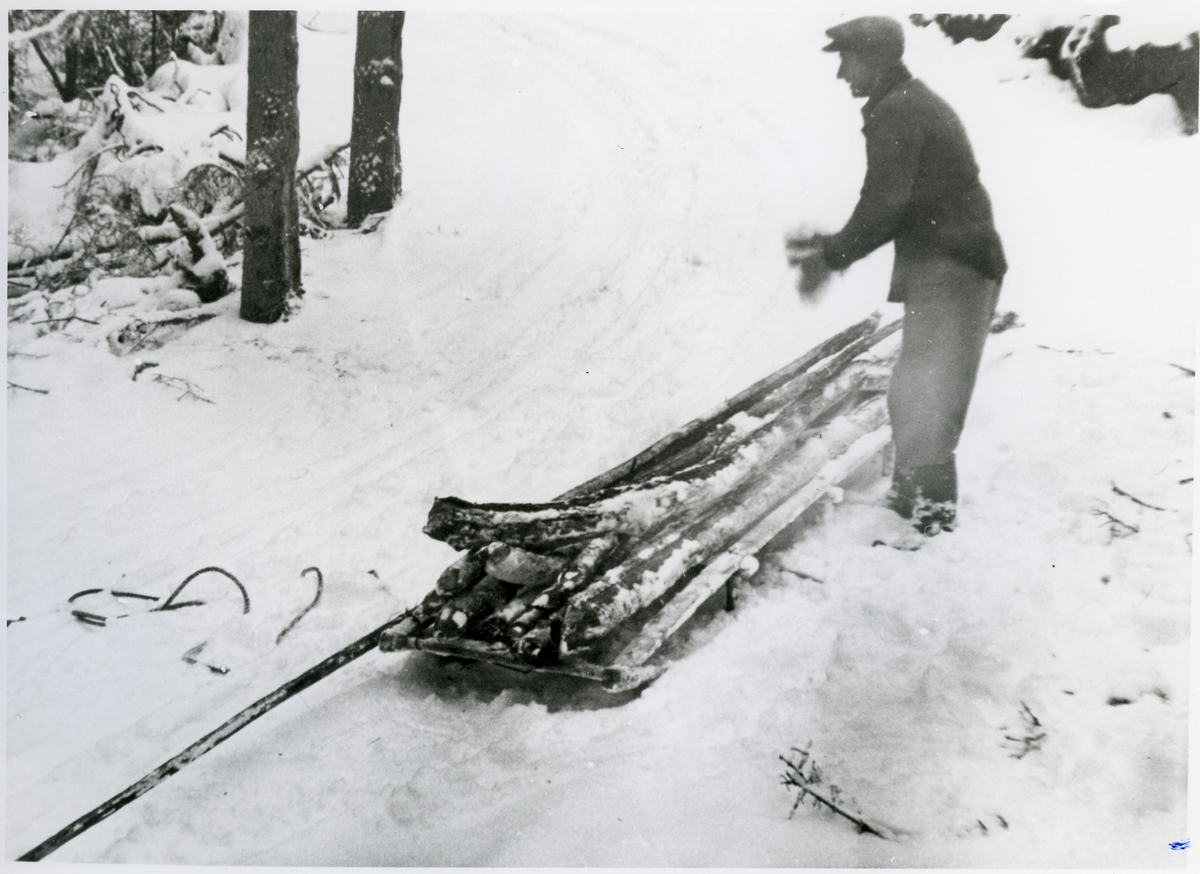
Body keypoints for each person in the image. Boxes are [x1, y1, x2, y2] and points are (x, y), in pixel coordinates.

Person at [787, 15, 1007, 537]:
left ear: (877, 58)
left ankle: (930, 519)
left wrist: (832, 256)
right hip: (947, 263)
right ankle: (911, 501)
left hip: (954, 266)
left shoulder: (900, 111)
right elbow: (893, 203)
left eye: (848, 59)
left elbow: (886, 204)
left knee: (930, 392)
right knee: (914, 389)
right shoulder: (906, 103)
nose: (842, 73)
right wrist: (833, 248)